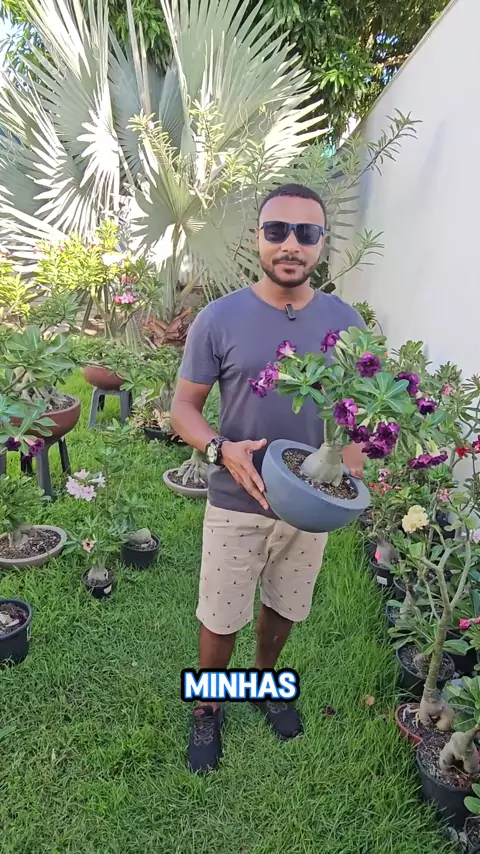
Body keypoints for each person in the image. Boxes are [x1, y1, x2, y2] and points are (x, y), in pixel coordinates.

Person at [171, 183, 366, 774]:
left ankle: (263, 684)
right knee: (220, 614)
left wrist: (355, 462)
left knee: (286, 604)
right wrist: (220, 449)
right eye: (277, 230)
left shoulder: (346, 323)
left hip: (312, 502)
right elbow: (183, 409)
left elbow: (358, 409)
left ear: (322, 243)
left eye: (306, 233)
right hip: (238, 497)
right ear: (258, 238)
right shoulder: (219, 318)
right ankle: (208, 706)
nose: (291, 245)